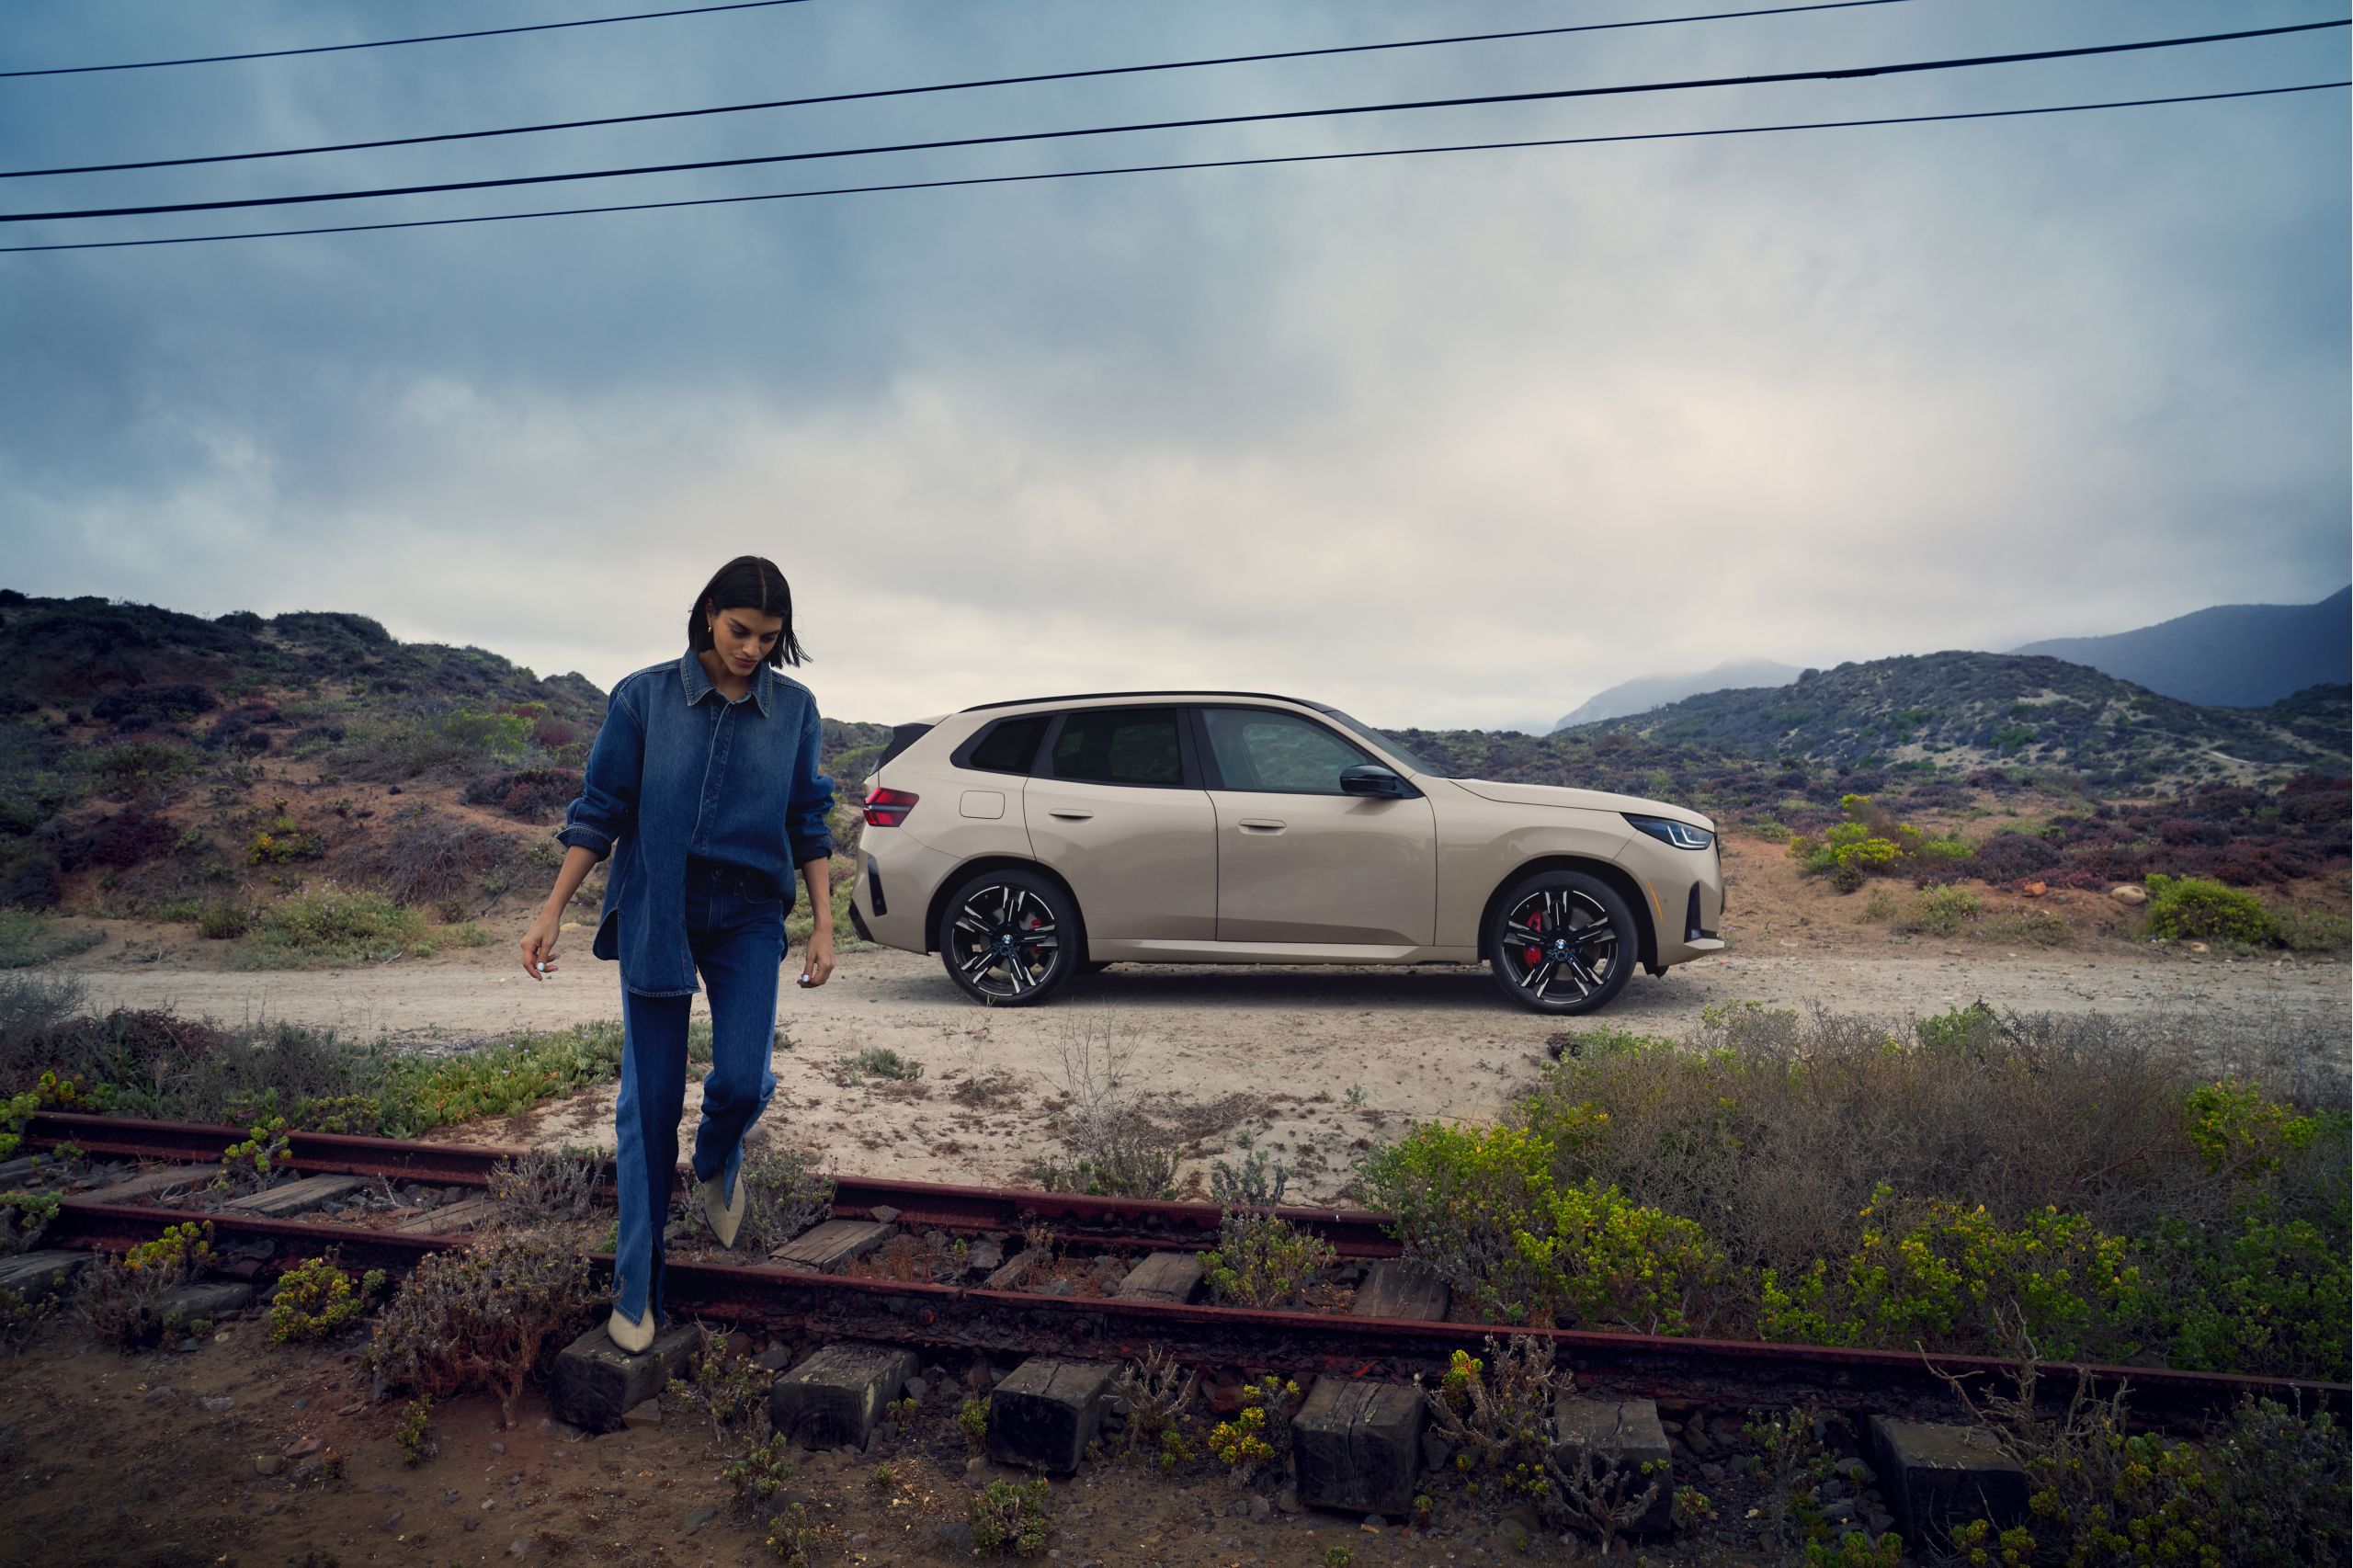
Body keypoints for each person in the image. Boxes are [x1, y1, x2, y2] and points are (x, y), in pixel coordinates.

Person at [519, 555, 836, 1353]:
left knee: (744, 1076)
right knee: (647, 1107)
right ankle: (637, 1286)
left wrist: (826, 925)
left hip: (749, 915)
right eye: (740, 631)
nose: (752, 650)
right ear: (706, 616)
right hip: (659, 903)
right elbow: (599, 810)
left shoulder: (795, 711)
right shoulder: (643, 697)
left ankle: (719, 1152)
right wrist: (553, 909)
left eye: (769, 638)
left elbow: (809, 821)